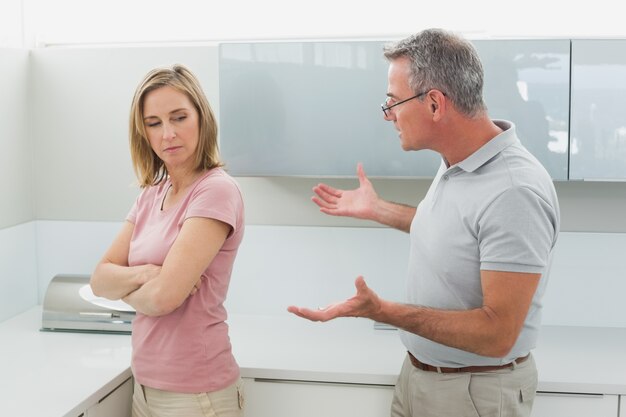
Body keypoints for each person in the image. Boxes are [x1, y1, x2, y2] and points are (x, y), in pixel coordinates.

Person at [288, 28, 560, 417]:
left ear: (434, 103)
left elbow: (498, 333)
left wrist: (383, 311)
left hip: (472, 392)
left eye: (393, 101)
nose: (388, 115)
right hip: (423, 378)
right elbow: (458, 232)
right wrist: (379, 209)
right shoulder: (460, 162)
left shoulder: (514, 191)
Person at [90, 64, 245, 417]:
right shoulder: (151, 193)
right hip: (146, 387)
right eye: (154, 123)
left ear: (201, 118)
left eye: (179, 117)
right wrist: (147, 274)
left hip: (197, 396)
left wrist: (131, 284)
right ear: (142, 131)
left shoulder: (216, 190)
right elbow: (99, 279)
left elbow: (165, 298)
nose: (168, 134)